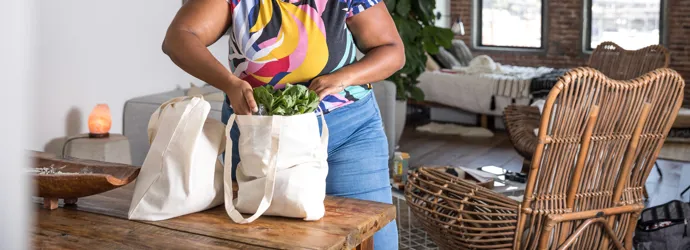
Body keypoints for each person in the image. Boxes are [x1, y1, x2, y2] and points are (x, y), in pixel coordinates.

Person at [162, 0, 404, 248]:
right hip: (258, 137)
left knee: (375, 238)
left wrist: (343, 78)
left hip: (348, 132)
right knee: (264, 239)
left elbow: (392, 49)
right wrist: (229, 84)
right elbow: (178, 37)